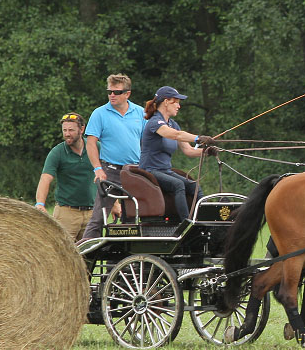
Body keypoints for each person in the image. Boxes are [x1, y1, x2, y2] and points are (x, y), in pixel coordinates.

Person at [81, 73, 146, 240]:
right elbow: (90, 143)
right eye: (109, 91)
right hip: (110, 171)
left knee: (134, 218)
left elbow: (147, 141)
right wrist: (97, 168)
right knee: (98, 219)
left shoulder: (140, 112)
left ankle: (124, 261)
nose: (112, 95)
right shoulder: (100, 113)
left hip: (134, 171)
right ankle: (83, 261)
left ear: (127, 94)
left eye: (116, 92)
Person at [140, 85, 217, 220]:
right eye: (176, 102)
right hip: (150, 170)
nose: (179, 106)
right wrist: (198, 138)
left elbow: (188, 150)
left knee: (194, 186)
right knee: (178, 185)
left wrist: (207, 152)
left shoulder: (173, 124)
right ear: (166, 102)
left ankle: (206, 219)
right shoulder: (154, 122)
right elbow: (176, 135)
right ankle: (185, 223)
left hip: (165, 171)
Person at [34, 112, 96, 241]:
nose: (67, 134)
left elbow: (107, 176)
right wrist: (40, 203)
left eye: (71, 130)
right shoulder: (57, 152)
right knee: (63, 254)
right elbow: (46, 178)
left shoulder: (95, 148)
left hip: (92, 213)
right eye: (65, 130)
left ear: (82, 129)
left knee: (92, 256)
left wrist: (115, 204)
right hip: (67, 213)